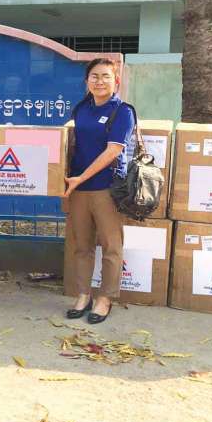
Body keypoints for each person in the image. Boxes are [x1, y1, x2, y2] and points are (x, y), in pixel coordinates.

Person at [63, 58, 135, 324]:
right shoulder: (81, 109)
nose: (100, 81)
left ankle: (105, 298)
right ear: (87, 81)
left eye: (106, 76)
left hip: (108, 188)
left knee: (111, 246)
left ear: (116, 81)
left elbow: (113, 151)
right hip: (78, 188)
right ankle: (83, 295)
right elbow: (69, 144)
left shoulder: (123, 111)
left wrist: (82, 177)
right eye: (94, 76)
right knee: (82, 246)